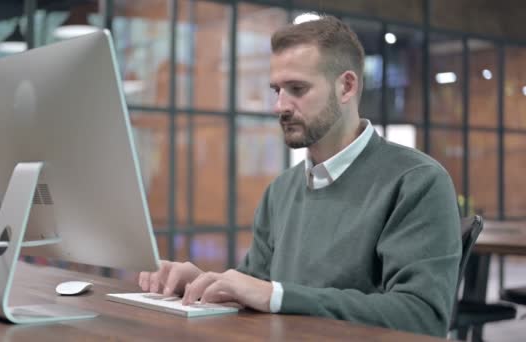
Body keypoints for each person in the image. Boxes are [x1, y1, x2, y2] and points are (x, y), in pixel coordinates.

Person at [139, 14, 461, 337]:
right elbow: (256, 290)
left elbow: (421, 317)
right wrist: (202, 284)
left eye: (297, 89)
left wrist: (278, 295)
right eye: (276, 89)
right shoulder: (280, 191)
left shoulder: (417, 182)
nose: (280, 105)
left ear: (346, 86)